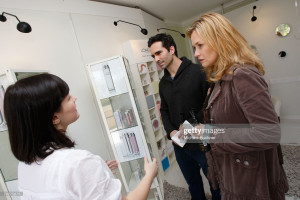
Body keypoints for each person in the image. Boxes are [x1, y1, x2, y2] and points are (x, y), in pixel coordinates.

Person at [4, 73, 158, 200]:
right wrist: (149, 174)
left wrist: (95, 177)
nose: (74, 98)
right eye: (68, 98)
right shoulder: (77, 164)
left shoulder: (24, 165)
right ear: (55, 118)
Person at [186, 13, 289, 199]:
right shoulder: (221, 77)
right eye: (194, 47)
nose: (196, 54)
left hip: (251, 180)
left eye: (200, 45)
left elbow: (268, 133)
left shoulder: (243, 75)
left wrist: (210, 133)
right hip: (234, 172)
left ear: (220, 40)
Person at [148, 33, 221, 200]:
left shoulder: (199, 72)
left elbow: (212, 106)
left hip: (202, 143)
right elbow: (164, 111)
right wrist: (171, 132)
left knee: (215, 183)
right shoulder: (163, 83)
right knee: (192, 183)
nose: (156, 58)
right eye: (153, 56)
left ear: (171, 49)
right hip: (180, 145)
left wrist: (192, 127)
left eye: (159, 53)